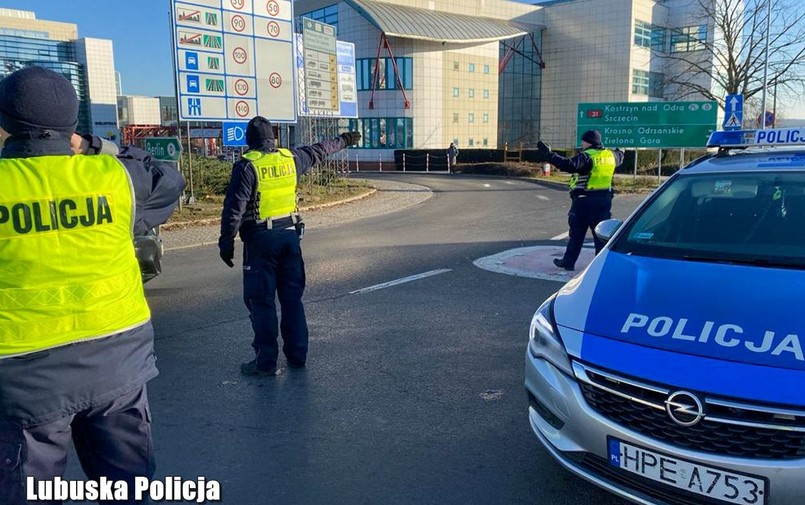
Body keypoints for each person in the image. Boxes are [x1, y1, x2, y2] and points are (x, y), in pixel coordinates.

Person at [0, 66, 185, 503]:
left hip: (26, 380)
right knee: (128, 488)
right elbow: (168, 178)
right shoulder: (114, 178)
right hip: (119, 361)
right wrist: (96, 146)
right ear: (72, 125)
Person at [218, 116, 361, 377]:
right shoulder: (290, 158)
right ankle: (297, 357)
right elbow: (320, 150)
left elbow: (234, 208)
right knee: (292, 300)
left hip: (261, 240)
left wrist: (226, 242)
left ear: (249, 140)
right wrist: (344, 140)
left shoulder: (247, 166)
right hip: (290, 237)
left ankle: (266, 363)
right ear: (273, 138)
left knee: (262, 303)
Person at [538, 129, 624, 271]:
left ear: (588, 142)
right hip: (604, 201)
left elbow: (568, 165)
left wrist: (549, 154)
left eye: (583, 141)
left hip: (584, 200)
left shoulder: (587, 157)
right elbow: (620, 156)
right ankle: (600, 265)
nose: (582, 144)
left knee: (576, 233)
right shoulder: (611, 156)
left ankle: (568, 261)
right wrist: (621, 151)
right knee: (600, 234)